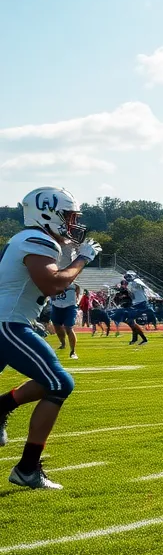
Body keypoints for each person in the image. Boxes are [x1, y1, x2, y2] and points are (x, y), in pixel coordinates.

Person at [0, 187, 101, 489]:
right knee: (59, 383)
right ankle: (27, 468)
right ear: (48, 213)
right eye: (68, 217)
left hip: (13, 320)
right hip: (8, 323)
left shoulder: (27, 240)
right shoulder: (38, 239)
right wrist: (82, 259)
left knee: (50, 381)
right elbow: (53, 284)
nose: (73, 224)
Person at [49, 280, 81, 360]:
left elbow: (78, 293)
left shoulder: (74, 285)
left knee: (68, 327)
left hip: (69, 307)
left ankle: (73, 351)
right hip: (56, 306)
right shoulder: (54, 283)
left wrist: (76, 300)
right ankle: (63, 344)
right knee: (57, 326)